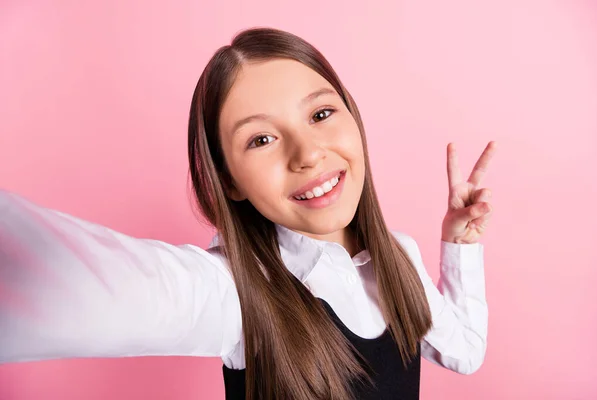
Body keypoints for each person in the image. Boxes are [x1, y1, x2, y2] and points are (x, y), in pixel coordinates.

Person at [0, 27, 496, 400]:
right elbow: (56, 280)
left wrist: (460, 244)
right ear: (229, 181)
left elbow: (465, 350)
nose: (306, 153)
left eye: (321, 114)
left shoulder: (397, 256)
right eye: (261, 139)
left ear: (352, 116)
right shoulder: (232, 291)